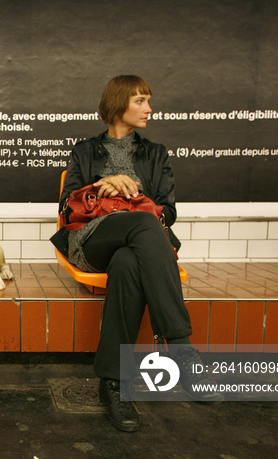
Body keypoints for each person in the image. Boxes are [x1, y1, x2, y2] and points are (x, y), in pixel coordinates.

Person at [52, 75, 221, 432]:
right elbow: (68, 206)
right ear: (118, 105)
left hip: (138, 246)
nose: (149, 108)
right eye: (140, 101)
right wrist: (104, 185)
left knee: (129, 263)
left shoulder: (155, 153)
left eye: (148, 101)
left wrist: (133, 193)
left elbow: (168, 212)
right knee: (142, 227)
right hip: (93, 238)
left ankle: (113, 384)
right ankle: (182, 349)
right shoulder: (85, 150)